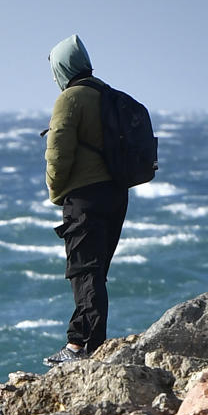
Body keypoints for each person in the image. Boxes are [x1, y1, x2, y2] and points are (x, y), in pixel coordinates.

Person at [42, 33, 131, 366]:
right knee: (96, 270)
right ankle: (87, 341)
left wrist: (55, 191)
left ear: (62, 68)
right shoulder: (107, 93)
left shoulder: (70, 99)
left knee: (84, 270)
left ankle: (82, 347)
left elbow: (58, 152)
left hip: (85, 197)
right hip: (116, 193)